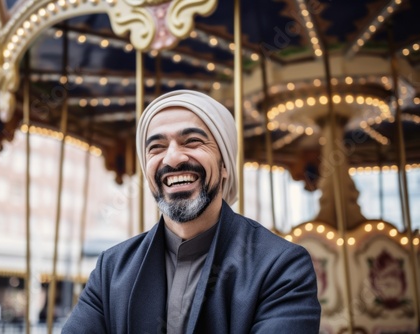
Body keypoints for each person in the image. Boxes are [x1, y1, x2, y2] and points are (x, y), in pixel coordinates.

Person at [62, 90, 321, 333]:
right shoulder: (112, 270)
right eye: (157, 147)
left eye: (193, 141)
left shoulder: (281, 265)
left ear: (225, 166)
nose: (173, 158)